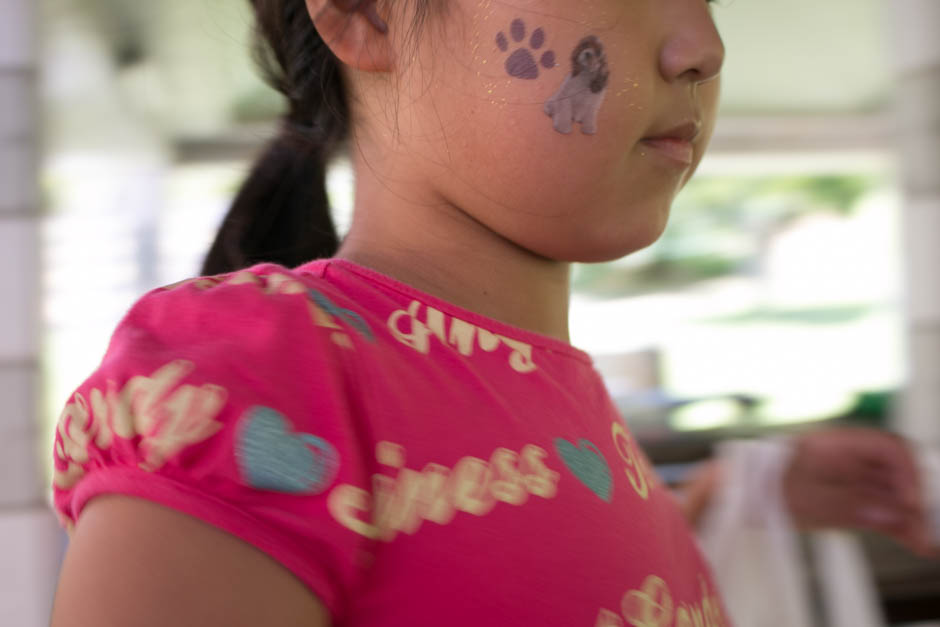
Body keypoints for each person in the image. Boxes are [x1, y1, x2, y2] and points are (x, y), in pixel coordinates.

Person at [49, 1, 933, 625]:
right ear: (365, 12)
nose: (703, 46)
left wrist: (735, 498)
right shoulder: (253, 379)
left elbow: (509, 562)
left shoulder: (554, 406)